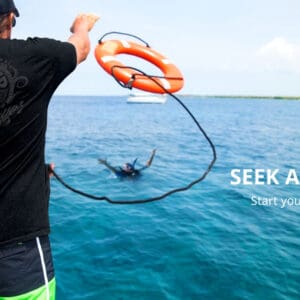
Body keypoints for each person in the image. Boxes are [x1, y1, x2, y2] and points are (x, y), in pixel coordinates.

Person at [0, 1, 99, 299]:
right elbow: (80, 48)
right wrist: (80, 25)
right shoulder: (35, 57)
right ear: (8, 18)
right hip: (17, 252)